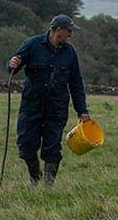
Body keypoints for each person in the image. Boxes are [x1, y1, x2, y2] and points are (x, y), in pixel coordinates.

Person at [7, 14, 90, 187]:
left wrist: (82, 110)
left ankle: (49, 185)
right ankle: (35, 175)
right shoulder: (32, 44)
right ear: (58, 30)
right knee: (26, 144)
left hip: (57, 108)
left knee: (52, 147)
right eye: (69, 31)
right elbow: (14, 65)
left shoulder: (70, 52)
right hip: (31, 105)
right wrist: (12, 64)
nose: (70, 35)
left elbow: (76, 83)